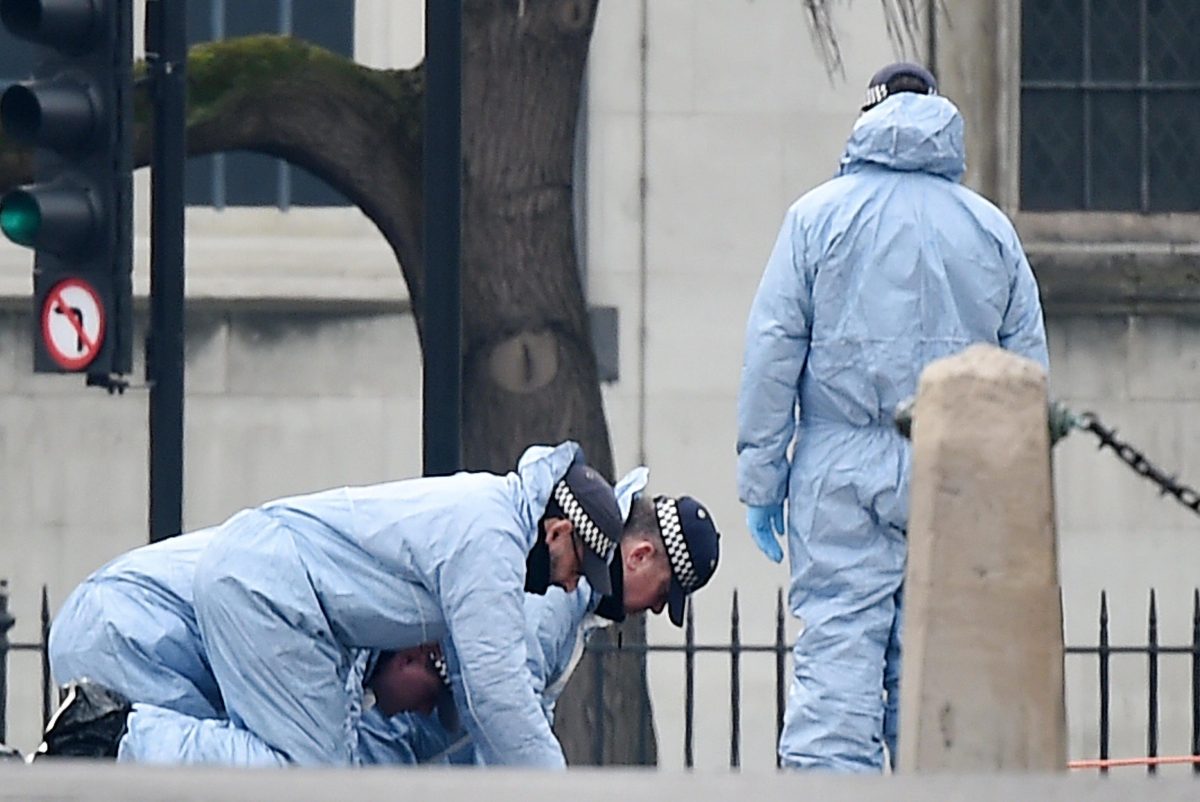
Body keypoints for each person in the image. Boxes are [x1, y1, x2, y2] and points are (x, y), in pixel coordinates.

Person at [736, 62, 1049, 772]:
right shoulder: (989, 229)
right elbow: (1027, 371)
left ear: (866, 117)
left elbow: (772, 354)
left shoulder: (816, 219)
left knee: (838, 663)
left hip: (839, 469)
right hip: (957, 469)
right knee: (941, 672)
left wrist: (762, 481)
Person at [41, 441, 623, 768]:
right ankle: (112, 733)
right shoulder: (492, 537)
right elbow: (498, 694)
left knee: (291, 775)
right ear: (556, 532)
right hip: (254, 599)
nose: (570, 586)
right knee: (307, 780)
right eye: (579, 568)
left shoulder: (480, 515)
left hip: (261, 590)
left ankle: (106, 739)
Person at [356, 468, 723, 765]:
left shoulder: (577, 601)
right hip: (395, 734)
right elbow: (506, 711)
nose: (656, 608)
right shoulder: (557, 599)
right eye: (663, 592)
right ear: (639, 556)